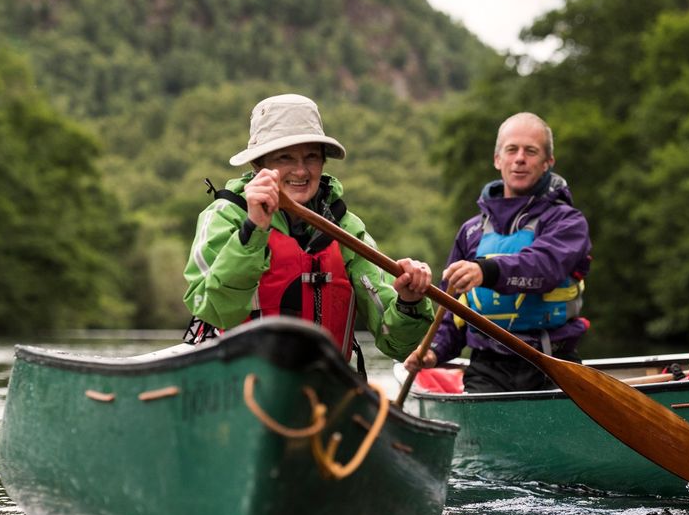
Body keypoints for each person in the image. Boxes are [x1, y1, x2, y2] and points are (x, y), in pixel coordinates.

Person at [182, 93, 435, 368]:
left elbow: (399, 346)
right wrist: (253, 229)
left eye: (311, 157)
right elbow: (213, 309)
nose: (301, 171)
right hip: (239, 387)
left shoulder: (347, 229)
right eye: (285, 157)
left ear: (323, 162)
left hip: (325, 393)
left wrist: (409, 303)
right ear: (258, 164)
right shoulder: (223, 217)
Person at [405, 112, 591, 392]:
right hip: (487, 369)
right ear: (497, 159)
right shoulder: (471, 231)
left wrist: (485, 271)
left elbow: (543, 267)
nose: (519, 158)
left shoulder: (567, 222)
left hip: (554, 363)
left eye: (531, 151)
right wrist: (434, 352)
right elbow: (451, 309)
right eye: (511, 149)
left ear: (547, 163)